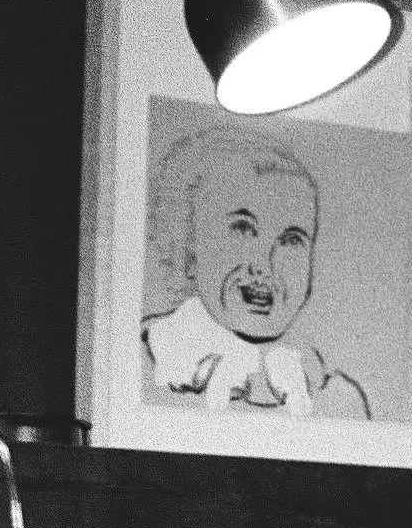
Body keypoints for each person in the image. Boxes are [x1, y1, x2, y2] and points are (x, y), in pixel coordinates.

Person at [143, 129, 369, 418]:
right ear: (188, 251)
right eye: (243, 229)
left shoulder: (339, 401)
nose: (266, 263)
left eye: (291, 240)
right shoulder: (147, 367)